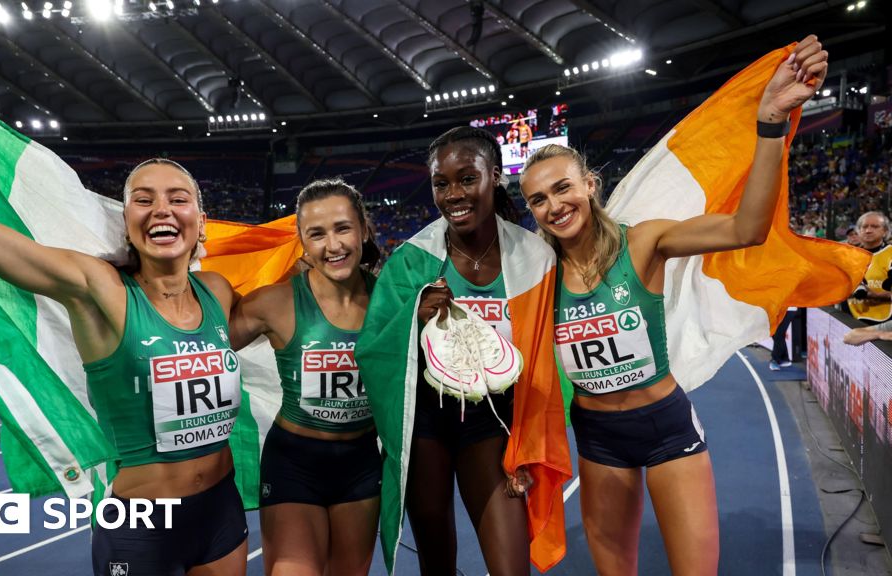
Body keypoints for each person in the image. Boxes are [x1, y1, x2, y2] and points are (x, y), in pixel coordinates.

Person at [0, 7, 247, 575]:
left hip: (222, 510)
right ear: (127, 221)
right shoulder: (98, 288)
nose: (161, 208)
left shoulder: (218, 290)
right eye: (143, 198)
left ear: (200, 218)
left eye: (178, 197)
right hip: (140, 525)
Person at [518, 36, 827, 576]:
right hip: (595, 438)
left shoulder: (645, 242)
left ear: (590, 186)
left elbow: (747, 229)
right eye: (537, 200)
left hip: (664, 427)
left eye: (562, 188)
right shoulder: (541, 275)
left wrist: (771, 122)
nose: (553, 206)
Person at [360, 126, 571, 576]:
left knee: (511, 565)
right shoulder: (412, 260)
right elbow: (373, 350)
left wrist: (529, 446)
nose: (453, 194)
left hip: (492, 426)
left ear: (494, 176)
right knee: (437, 564)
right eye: (441, 183)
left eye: (467, 178)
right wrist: (412, 319)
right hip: (426, 429)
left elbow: (548, 362)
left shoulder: (535, 258)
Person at [228, 179, 381, 576]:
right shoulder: (273, 303)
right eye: (317, 234)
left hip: (362, 466)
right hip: (294, 464)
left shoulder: (393, 301)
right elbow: (196, 343)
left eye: (343, 228)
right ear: (302, 242)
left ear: (363, 228)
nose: (333, 246)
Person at [846, 211, 892, 324]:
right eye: (864, 226)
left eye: (875, 226)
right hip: (850, 320)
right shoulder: (849, 255)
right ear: (859, 231)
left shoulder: (890, 253)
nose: (868, 230)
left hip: (883, 324)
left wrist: (874, 295)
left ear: (885, 231)